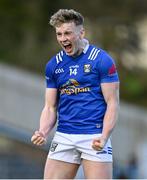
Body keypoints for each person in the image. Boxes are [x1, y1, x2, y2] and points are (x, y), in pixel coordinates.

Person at [31, 9, 119, 179]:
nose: (63, 38)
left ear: (81, 32)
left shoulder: (102, 60)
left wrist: (104, 136)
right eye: (59, 34)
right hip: (64, 135)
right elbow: (50, 107)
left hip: (95, 136)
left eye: (67, 33)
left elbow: (112, 103)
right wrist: (42, 131)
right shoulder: (54, 65)